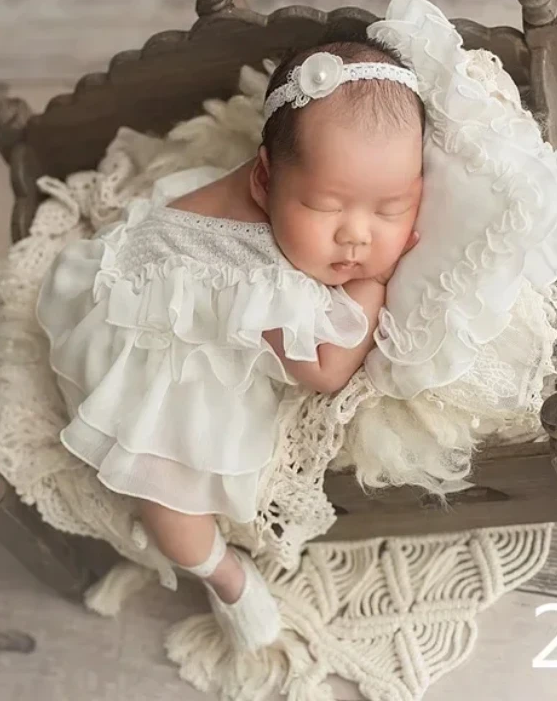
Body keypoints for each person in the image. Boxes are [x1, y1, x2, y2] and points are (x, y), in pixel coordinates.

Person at [36, 38, 424, 652]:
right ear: (264, 178)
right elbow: (321, 371)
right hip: (147, 345)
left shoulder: (295, 190)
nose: (355, 235)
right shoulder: (259, 274)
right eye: (326, 206)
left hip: (154, 270)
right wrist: (373, 285)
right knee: (170, 501)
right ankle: (224, 577)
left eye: (392, 207)